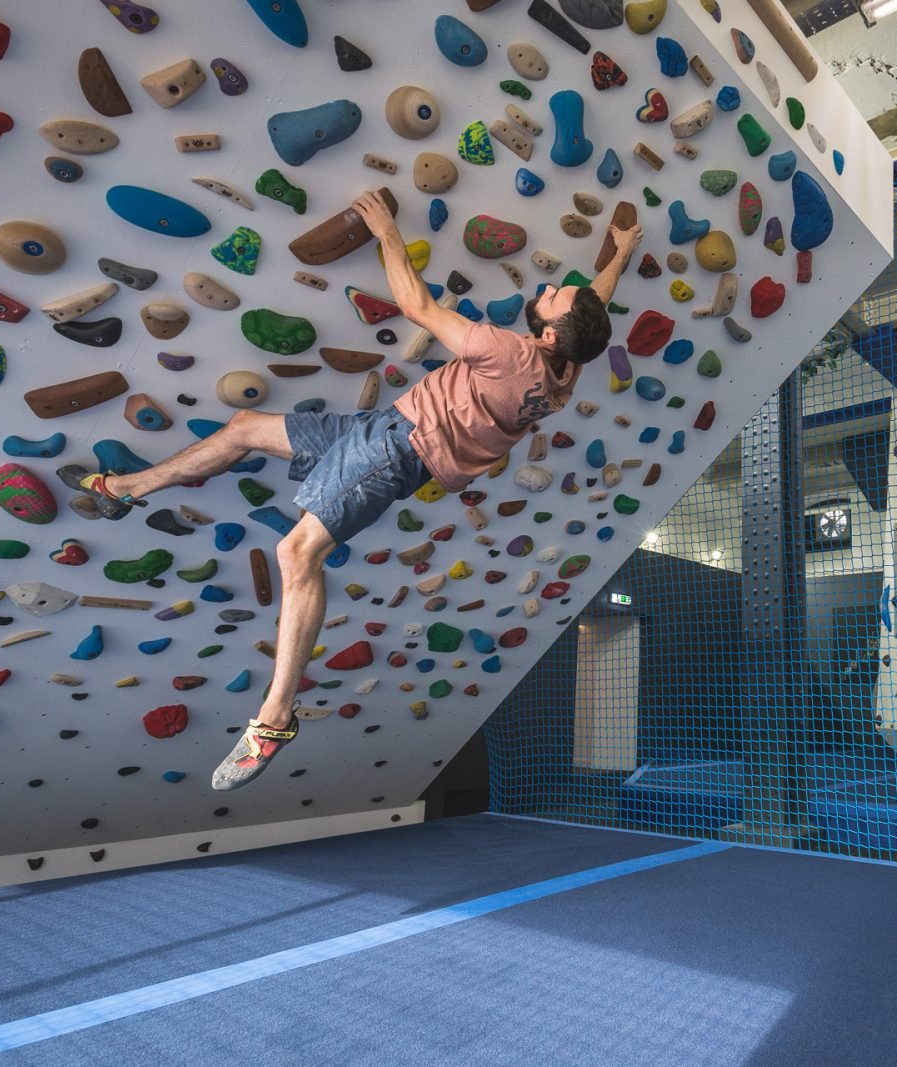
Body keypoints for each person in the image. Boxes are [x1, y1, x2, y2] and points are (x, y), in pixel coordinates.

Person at [56, 192, 643, 789]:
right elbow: (595, 301)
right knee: (243, 430)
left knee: (295, 552)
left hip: (396, 446)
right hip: (378, 430)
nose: (548, 290)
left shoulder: (510, 350)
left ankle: (274, 716)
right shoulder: (566, 370)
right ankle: (127, 487)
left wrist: (387, 228)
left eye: (554, 297)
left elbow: (415, 306)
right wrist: (619, 255)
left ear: (547, 335)